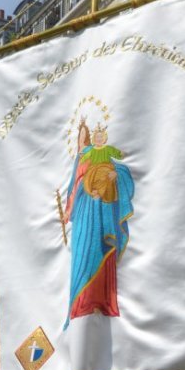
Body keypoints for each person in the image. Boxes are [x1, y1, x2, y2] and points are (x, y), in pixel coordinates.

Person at [60, 119, 133, 328]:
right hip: (82, 210)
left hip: (98, 208)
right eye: (79, 136)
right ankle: (78, 305)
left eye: (85, 134)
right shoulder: (79, 158)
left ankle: (101, 301)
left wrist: (113, 175)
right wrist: (67, 212)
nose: (82, 138)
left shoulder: (96, 152)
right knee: (81, 255)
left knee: (99, 249)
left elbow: (113, 167)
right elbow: (73, 189)